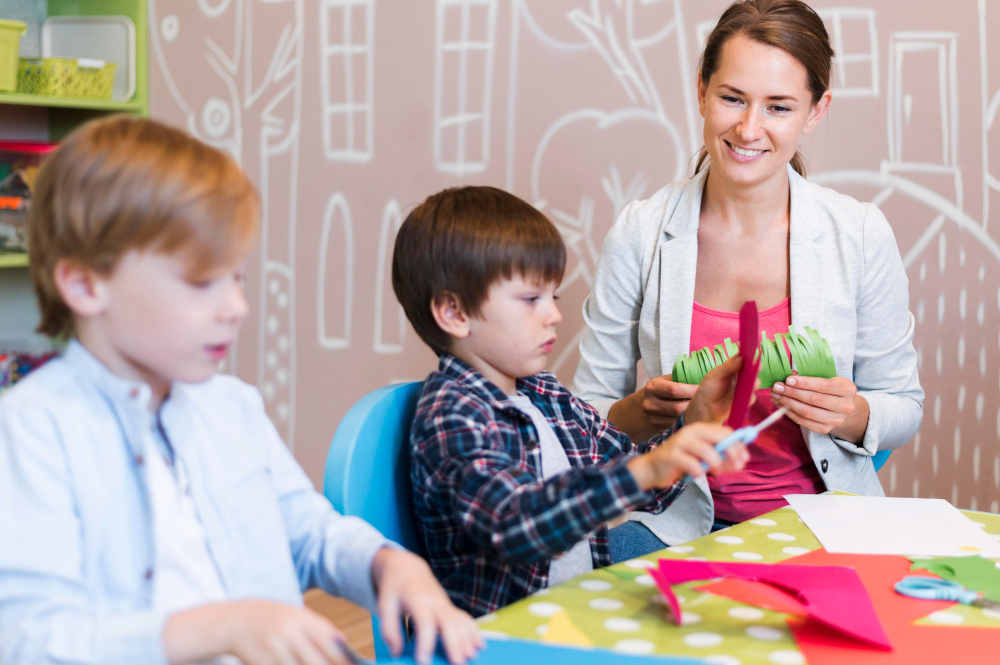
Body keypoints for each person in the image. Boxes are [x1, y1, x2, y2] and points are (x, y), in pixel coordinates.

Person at [0, 116, 481, 665]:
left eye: (237, 279)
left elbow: (309, 534)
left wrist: (387, 565)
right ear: (86, 284)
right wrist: (222, 626)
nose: (236, 307)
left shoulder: (230, 408)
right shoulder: (32, 431)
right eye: (202, 282)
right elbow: (27, 642)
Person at [573, 0, 923, 547]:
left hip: (821, 523)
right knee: (587, 582)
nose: (749, 128)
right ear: (702, 90)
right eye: (732, 98)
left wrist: (850, 413)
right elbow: (584, 420)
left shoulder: (858, 233)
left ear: (816, 111)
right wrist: (644, 412)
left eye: (778, 107)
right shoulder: (640, 232)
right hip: (666, 521)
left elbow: (903, 405)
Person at [391, 185, 750, 617]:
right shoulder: (452, 416)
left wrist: (694, 424)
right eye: (531, 300)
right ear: (454, 313)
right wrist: (642, 472)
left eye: (553, 297)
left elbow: (631, 477)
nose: (554, 315)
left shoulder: (544, 394)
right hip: (499, 637)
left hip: (571, 616)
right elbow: (516, 526)